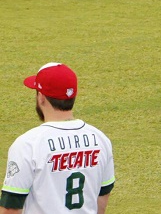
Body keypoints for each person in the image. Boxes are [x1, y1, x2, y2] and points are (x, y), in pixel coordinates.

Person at [0, 63, 115, 214]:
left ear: (41, 97)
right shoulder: (101, 139)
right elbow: (102, 200)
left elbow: (10, 208)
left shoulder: (28, 144)